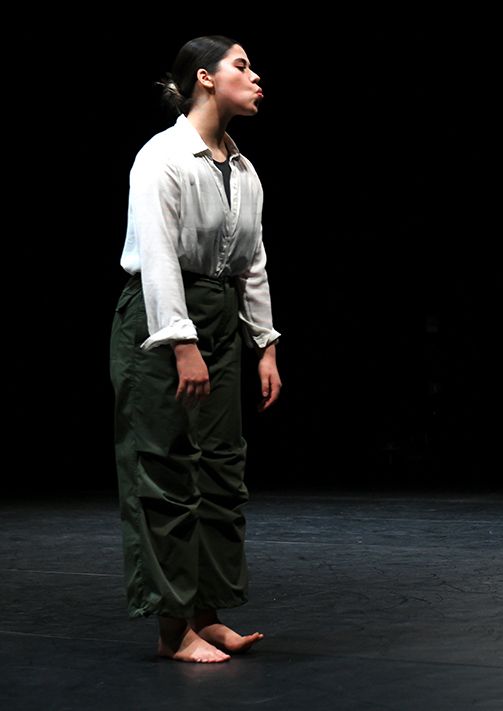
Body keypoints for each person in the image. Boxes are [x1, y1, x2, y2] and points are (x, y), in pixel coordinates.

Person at [110, 36, 281, 663]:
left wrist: (264, 344)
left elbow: (252, 263)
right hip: (161, 319)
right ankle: (171, 627)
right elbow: (157, 254)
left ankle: (206, 614)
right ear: (206, 78)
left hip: (218, 314)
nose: (256, 77)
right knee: (165, 470)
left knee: (219, 470)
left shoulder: (243, 169)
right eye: (243, 66)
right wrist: (181, 342)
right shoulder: (162, 156)